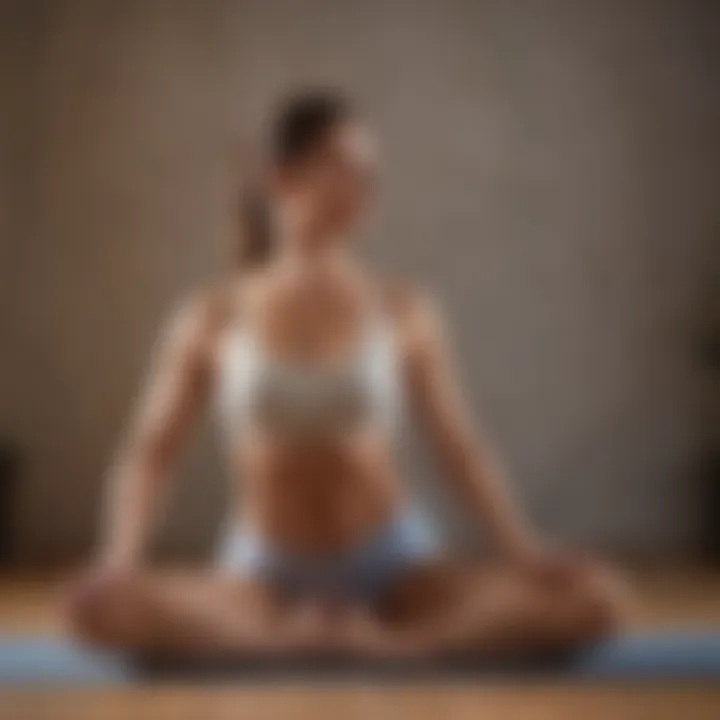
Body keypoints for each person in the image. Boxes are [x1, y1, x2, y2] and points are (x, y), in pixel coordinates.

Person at [65, 90, 627, 661]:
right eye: (343, 168)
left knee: (597, 600)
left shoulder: (403, 309)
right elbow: (152, 450)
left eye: (370, 173)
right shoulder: (213, 315)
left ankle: (379, 648)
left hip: (395, 565)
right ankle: (304, 640)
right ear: (281, 178)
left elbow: (459, 447)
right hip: (265, 571)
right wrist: (120, 558)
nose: (363, 188)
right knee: (100, 614)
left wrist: (525, 551)